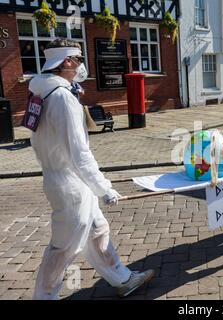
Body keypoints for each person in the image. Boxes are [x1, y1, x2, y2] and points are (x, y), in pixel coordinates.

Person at [29, 39, 154, 300]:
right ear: (66, 62)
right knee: (64, 247)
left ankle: (122, 279)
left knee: (98, 229)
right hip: (69, 183)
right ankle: (44, 296)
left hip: (65, 178)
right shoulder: (62, 97)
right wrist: (104, 188)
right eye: (78, 59)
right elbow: (79, 153)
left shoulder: (42, 92)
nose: (81, 65)